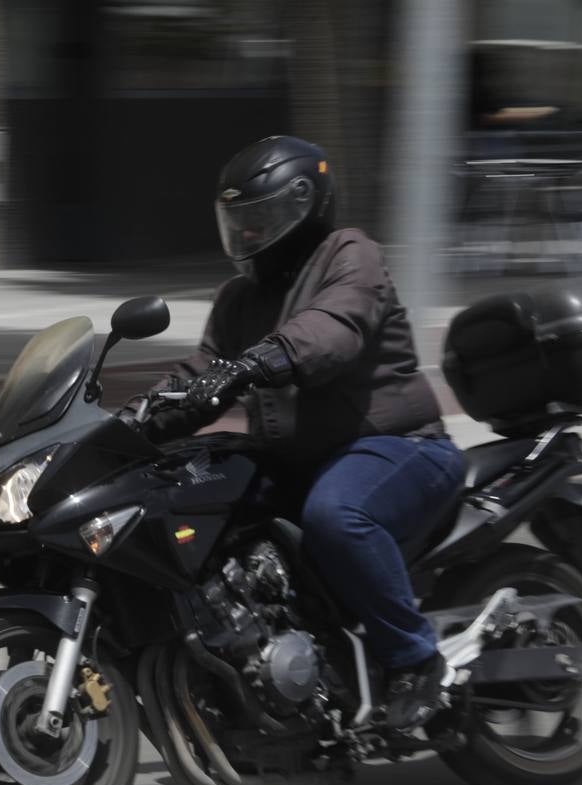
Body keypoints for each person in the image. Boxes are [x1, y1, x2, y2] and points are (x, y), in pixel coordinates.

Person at [135, 135, 465, 733]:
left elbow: (334, 327)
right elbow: (205, 371)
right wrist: (137, 416)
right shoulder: (240, 298)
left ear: (304, 204)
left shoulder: (350, 254)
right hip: (301, 459)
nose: (250, 235)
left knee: (337, 515)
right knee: (189, 497)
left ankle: (415, 660)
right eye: (240, 222)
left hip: (399, 447)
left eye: (261, 220)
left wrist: (259, 361)